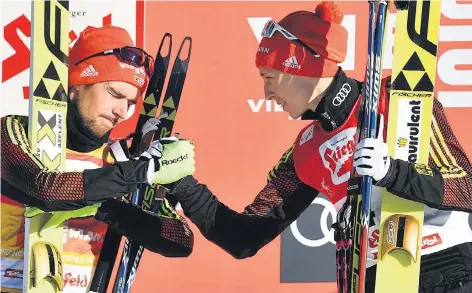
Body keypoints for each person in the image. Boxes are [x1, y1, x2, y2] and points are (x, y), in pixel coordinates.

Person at [154, 2, 472, 293]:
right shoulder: (305, 152)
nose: (266, 93)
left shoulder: (396, 97)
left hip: (446, 267)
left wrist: (392, 172)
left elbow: (467, 189)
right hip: (375, 279)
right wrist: (182, 183)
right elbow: (244, 237)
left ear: (298, 64)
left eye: (269, 76)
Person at [0, 25, 195, 293]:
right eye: (114, 94)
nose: (121, 111)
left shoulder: (122, 158)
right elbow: (44, 189)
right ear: (77, 84)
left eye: (130, 102)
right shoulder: (14, 131)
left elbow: (181, 238)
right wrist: (141, 173)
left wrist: (112, 212)